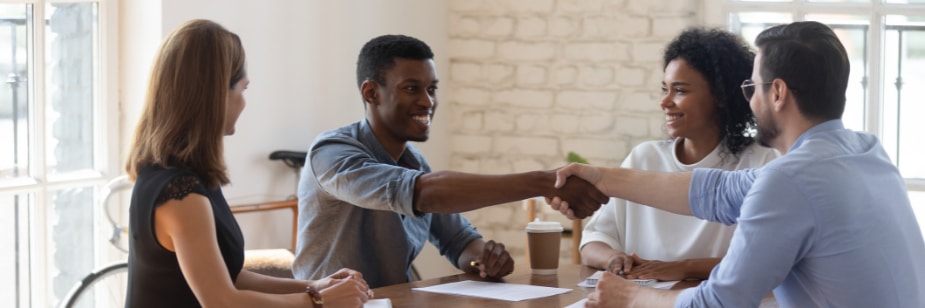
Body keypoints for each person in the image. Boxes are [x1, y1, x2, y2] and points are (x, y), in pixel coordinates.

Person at [553, 21, 925, 307]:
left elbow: (719, 302)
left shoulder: (791, 177)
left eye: (753, 88)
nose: (748, 101)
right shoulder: (865, 151)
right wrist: (601, 177)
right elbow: (715, 191)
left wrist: (630, 297)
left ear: (776, 92)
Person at [292, 34, 608, 288]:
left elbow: (459, 240)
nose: (428, 102)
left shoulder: (413, 161)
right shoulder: (332, 152)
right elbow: (425, 193)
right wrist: (543, 181)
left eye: (432, 89)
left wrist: (482, 259)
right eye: (412, 89)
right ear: (371, 93)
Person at [124, 19, 372, 307]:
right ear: (215, 96)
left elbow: (227, 276)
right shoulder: (181, 194)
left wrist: (314, 286)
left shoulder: (176, 175)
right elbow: (221, 301)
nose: (244, 102)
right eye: (242, 89)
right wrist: (319, 303)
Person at [580, 28, 778, 282]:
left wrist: (683, 268)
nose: (665, 102)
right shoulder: (644, 158)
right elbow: (594, 239)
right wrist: (614, 259)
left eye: (680, 91)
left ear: (720, 95)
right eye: (665, 89)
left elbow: (765, 260)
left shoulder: (761, 163)